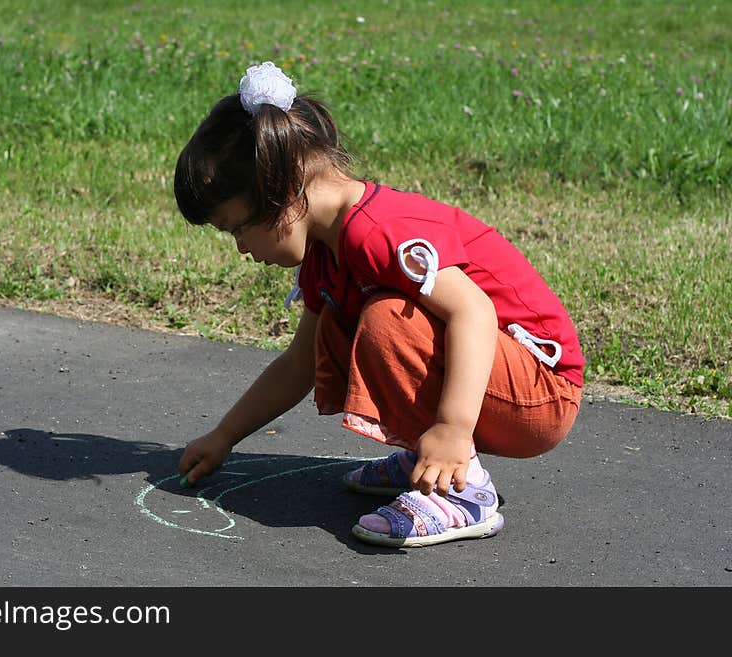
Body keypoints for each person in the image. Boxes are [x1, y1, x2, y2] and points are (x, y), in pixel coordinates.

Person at [173, 61, 584, 547]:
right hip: (498, 382)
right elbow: (298, 364)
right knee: (334, 325)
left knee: (389, 317)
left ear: (280, 192)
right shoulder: (324, 254)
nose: (241, 248)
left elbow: (475, 312)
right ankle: (422, 457)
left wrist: (453, 429)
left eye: (238, 228)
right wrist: (225, 436)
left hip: (540, 390)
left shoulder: (378, 232)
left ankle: (465, 492)